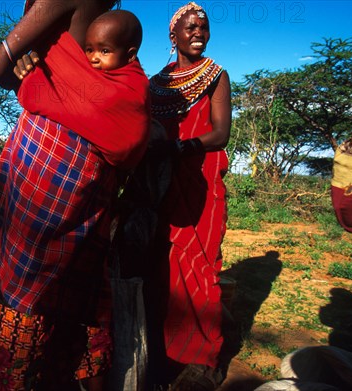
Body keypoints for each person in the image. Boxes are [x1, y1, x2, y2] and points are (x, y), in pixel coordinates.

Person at [0, 1, 150, 389]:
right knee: (82, 296)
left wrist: (34, 82)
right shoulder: (108, 14)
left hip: (48, 165)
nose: (93, 56)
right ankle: (73, 373)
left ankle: (18, 377)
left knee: (25, 297)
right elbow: (131, 126)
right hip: (96, 177)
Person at [142, 2, 232, 389]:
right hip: (158, 184)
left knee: (199, 265)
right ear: (173, 35)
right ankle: (162, 349)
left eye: (204, 27)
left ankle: (204, 354)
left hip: (200, 183)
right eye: (190, 27)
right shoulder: (155, 83)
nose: (198, 32)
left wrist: (178, 149)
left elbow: (220, 134)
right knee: (160, 265)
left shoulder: (215, 75)